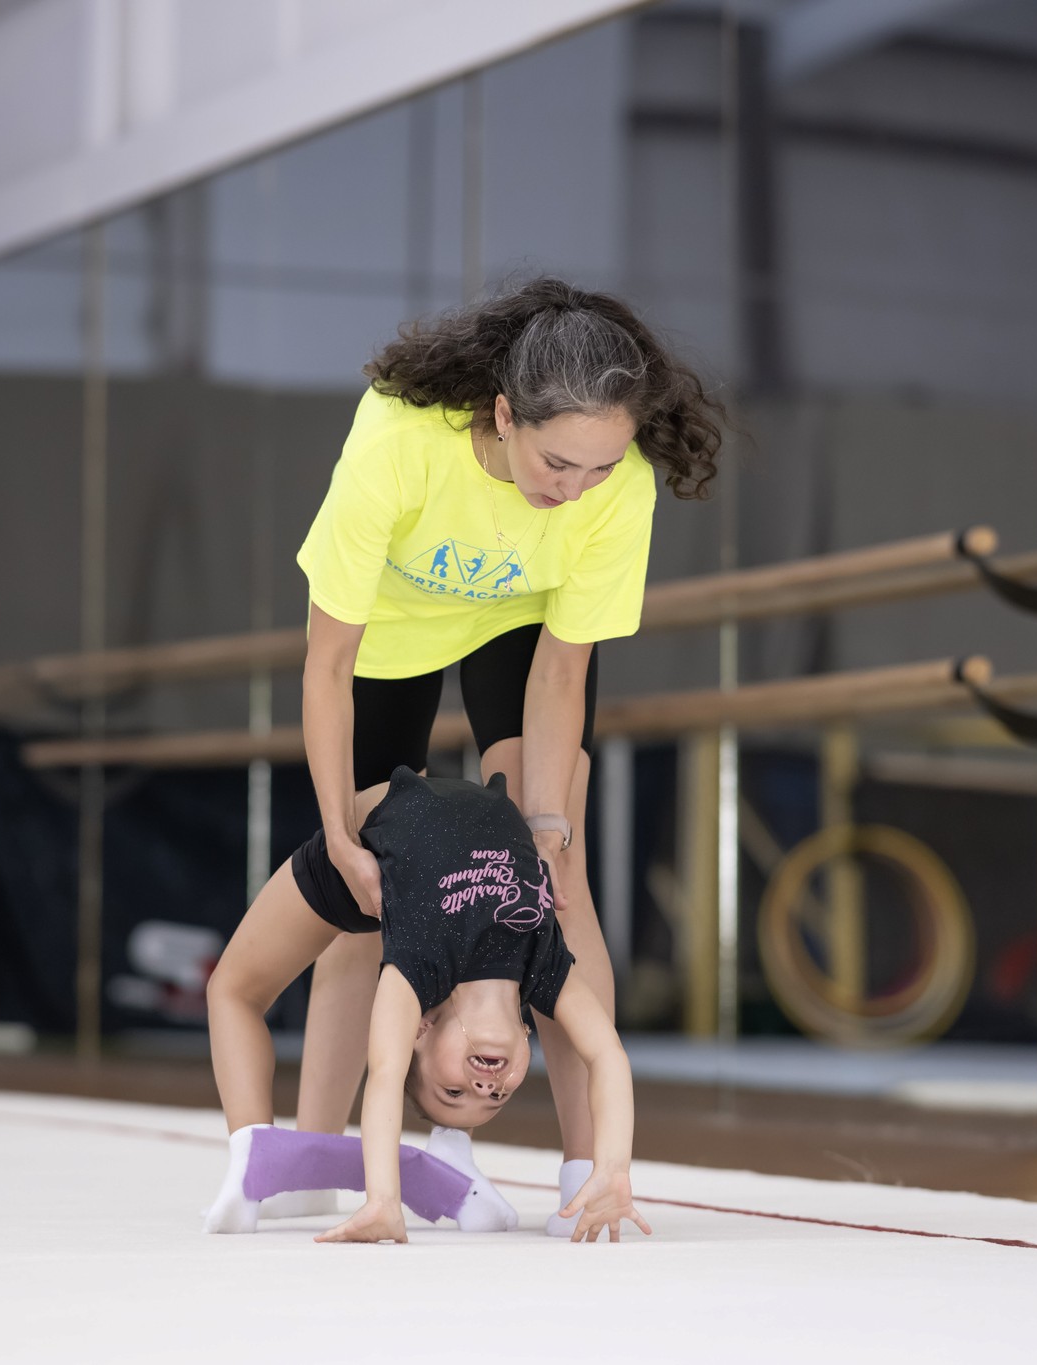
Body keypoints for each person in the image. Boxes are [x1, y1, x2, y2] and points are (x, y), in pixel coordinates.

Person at [289, 277, 722, 1234]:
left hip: (519, 634)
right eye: (557, 461)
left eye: (597, 471)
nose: (572, 490)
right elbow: (328, 663)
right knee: (363, 903)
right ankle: (321, 1152)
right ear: (501, 414)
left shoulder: (620, 491)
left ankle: (588, 1169)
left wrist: (549, 826)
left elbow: (562, 675)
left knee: (556, 886)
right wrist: (335, 831)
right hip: (389, 637)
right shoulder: (399, 437)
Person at [204, 768, 649, 1244]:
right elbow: (607, 1056)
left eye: (454, 1093)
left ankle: (254, 1156)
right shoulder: (541, 965)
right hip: (432, 811)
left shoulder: (418, 970)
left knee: (231, 989)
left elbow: (385, 1077)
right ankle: (267, 1161)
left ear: (421, 1029)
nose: (485, 1087)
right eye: (497, 1098)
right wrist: (613, 1168)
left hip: (358, 861)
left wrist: (383, 1201)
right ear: (526, 1039)